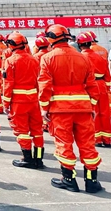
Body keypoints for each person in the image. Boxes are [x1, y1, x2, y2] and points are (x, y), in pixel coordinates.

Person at [39, 25, 102, 193]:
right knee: (88, 144)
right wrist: (93, 106)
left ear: (51, 39)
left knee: (64, 144)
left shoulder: (47, 58)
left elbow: (45, 85)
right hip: (83, 108)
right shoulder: (84, 58)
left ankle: (69, 180)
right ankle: (92, 181)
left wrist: (44, 107)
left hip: (60, 110)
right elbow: (92, 85)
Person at [2, 33, 44, 169]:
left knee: (22, 131)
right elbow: (39, 81)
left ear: (11, 45)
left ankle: (28, 159)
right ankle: (38, 159)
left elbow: (8, 84)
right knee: (37, 130)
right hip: (33, 100)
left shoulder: (10, 61)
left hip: (18, 102)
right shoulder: (34, 60)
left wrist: (6, 104)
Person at [77, 33, 111, 148]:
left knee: (93, 113)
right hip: (102, 85)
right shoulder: (100, 57)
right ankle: (107, 139)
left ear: (79, 44)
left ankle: (97, 139)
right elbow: (107, 75)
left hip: (89, 86)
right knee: (105, 113)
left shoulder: (80, 57)